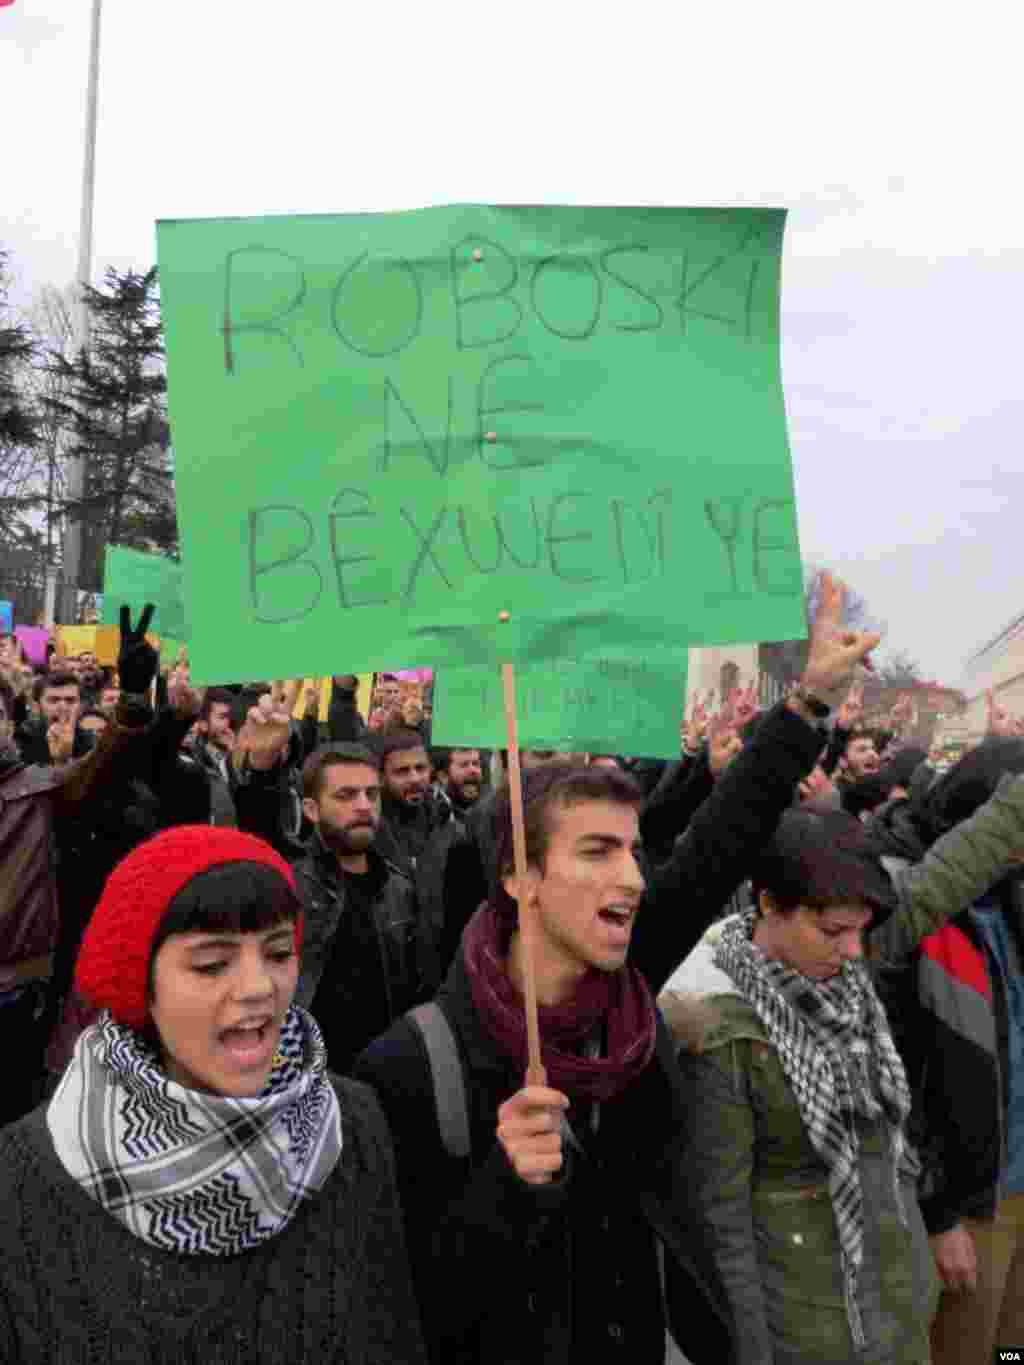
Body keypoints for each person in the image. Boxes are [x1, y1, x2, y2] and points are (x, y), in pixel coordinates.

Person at [354, 573, 877, 1365]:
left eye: (632, 851)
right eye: (598, 851)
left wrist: (808, 705)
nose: (632, 877)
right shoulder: (410, 1067)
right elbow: (398, 1309)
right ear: (519, 876)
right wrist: (504, 1186)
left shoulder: (626, 988)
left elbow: (719, 839)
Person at [0, 825, 426, 1363]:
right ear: (139, 984)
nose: (259, 987)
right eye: (212, 964)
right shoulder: (21, 1182)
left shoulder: (355, 1127)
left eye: (278, 953)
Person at [660, 768, 1024, 1365]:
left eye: (861, 931)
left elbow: (951, 871)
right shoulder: (718, 1026)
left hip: (894, 1310)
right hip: (804, 1328)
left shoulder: (847, 963)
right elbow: (723, 1228)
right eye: (833, 931)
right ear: (769, 905)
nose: (855, 951)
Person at [865, 738, 1024, 1364]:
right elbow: (893, 1077)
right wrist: (937, 1214)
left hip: (1017, 1180)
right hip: (966, 1206)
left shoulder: (1010, 898)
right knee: (965, 1351)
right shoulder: (901, 908)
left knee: (1013, 1349)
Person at [374, 729, 442, 874]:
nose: (414, 779)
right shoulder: (370, 830)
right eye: (402, 771)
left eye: (420, 768)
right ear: (381, 778)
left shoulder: (444, 817)